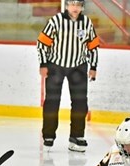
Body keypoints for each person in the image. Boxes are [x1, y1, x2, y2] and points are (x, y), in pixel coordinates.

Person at [37, 0, 99, 152]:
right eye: (72, 5)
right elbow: (42, 43)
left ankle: (76, 137)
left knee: (80, 102)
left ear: (82, 7)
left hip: (78, 66)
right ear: (67, 6)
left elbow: (93, 45)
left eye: (78, 5)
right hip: (56, 65)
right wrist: (43, 64)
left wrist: (93, 67)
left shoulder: (86, 23)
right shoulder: (55, 21)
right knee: (52, 101)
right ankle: (49, 136)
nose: (75, 8)